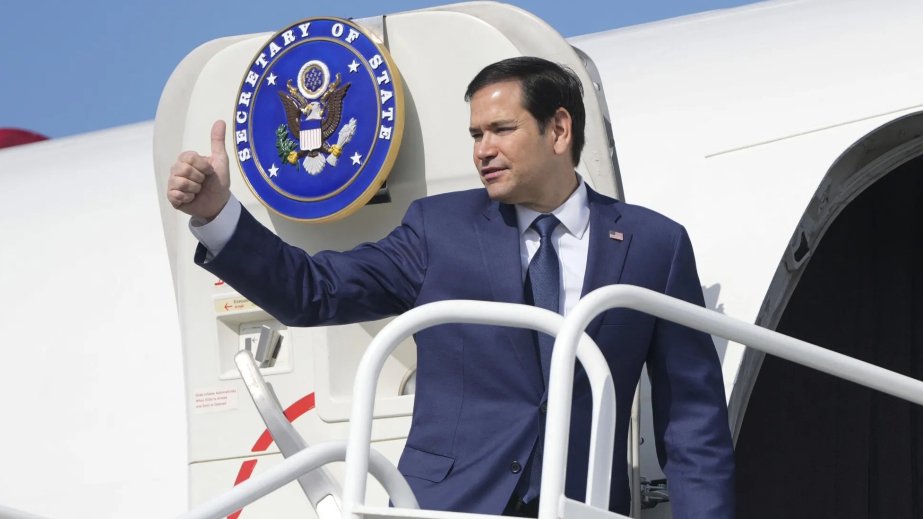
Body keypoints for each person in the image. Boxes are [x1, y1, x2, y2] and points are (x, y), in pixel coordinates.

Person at [167, 56, 735, 518]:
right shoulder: (438, 229)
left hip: (579, 508)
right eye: (475, 134)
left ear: (559, 130)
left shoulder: (653, 245)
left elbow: (693, 422)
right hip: (445, 508)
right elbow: (313, 292)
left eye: (502, 130)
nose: (483, 149)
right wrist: (219, 216)